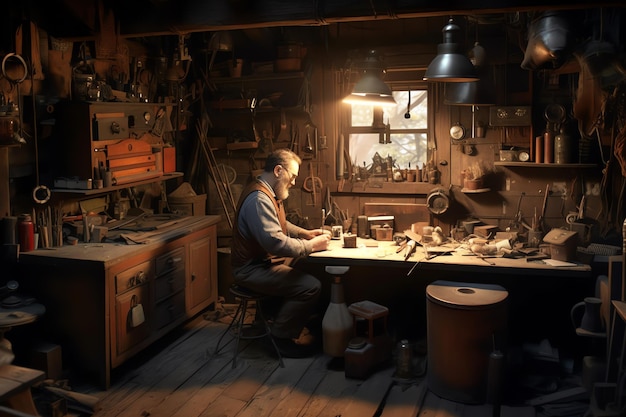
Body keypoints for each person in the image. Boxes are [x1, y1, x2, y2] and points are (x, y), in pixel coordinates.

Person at [230, 148, 331, 357]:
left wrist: (305, 234)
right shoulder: (259, 199)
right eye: (292, 176)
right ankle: (280, 338)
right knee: (311, 286)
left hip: (261, 263)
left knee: (306, 267)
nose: (294, 182)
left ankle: (278, 320)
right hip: (250, 269)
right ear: (278, 171)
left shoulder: (267, 192)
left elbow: (280, 225)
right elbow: (275, 243)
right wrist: (312, 246)